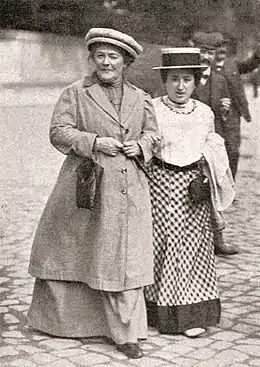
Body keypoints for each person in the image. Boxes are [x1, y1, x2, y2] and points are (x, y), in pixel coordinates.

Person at [27, 28, 159, 359]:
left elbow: (155, 137)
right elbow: (58, 132)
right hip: (86, 185)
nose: (106, 62)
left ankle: (126, 332)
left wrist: (141, 145)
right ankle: (69, 324)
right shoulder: (76, 92)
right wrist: (94, 142)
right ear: (92, 59)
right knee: (79, 249)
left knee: (122, 256)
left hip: (129, 190)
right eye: (99, 55)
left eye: (113, 56)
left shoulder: (141, 98)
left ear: (125, 62)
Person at [145, 47, 235, 338]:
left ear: (196, 82)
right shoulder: (153, 109)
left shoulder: (204, 113)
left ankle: (190, 313)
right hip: (159, 183)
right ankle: (157, 311)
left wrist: (208, 167)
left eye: (186, 79)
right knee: (165, 245)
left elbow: (212, 148)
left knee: (193, 248)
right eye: (174, 79)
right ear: (165, 81)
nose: (180, 86)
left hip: (193, 188)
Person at [191, 31, 238, 257]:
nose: (206, 57)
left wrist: (225, 110)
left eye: (210, 53)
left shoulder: (220, 80)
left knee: (215, 189)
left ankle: (218, 238)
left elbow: (222, 116)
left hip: (211, 141)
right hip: (188, 141)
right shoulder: (185, 75)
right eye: (202, 52)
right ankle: (191, 241)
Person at [213, 37, 260, 179]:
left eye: (224, 46)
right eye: (217, 47)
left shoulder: (233, 65)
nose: (221, 50)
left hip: (232, 115)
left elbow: (251, 64)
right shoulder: (207, 67)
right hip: (213, 114)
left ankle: (230, 183)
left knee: (232, 150)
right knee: (214, 151)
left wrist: (258, 52)